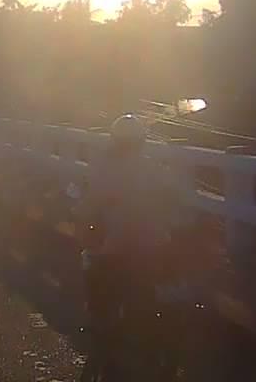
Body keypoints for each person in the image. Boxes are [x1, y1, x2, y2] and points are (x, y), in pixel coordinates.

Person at [76, 113, 181, 367]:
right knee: (156, 281)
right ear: (142, 141)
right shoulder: (153, 167)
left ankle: (101, 322)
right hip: (153, 239)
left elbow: (89, 203)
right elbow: (171, 200)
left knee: (95, 269)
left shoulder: (103, 168)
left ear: (114, 139)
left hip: (115, 240)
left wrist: (81, 217)